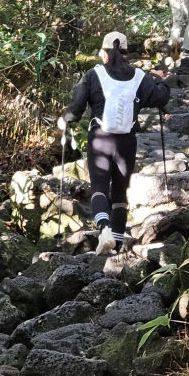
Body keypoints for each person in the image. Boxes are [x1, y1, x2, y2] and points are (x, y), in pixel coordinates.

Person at [58, 31, 170, 254]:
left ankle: (104, 229)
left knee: (99, 187)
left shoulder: (93, 74)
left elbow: (77, 107)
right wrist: (158, 78)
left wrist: (65, 120)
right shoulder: (140, 76)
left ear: (104, 51)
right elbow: (160, 98)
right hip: (126, 141)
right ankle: (117, 246)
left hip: (100, 138)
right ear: (126, 52)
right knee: (120, 192)